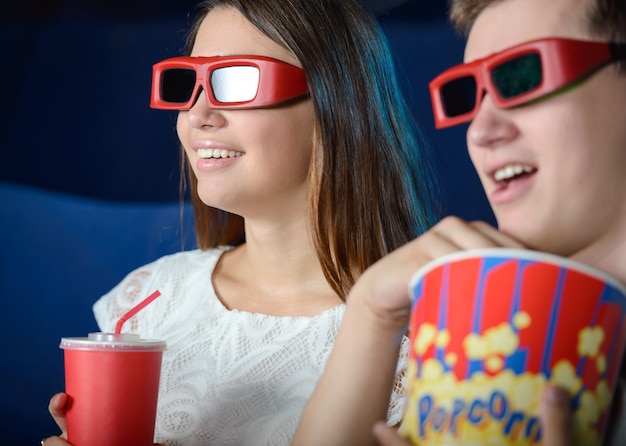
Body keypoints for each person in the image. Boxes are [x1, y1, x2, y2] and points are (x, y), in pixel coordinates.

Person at [41, 0, 442, 445]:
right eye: (185, 84)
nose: (197, 116)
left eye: (235, 82)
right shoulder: (148, 301)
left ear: (338, 105)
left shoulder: (435, 335)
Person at [292, 0, 626, 444]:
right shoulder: (486, 337)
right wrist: (370, 314)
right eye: (469, 95)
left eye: (524, 77)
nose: (480, 130)